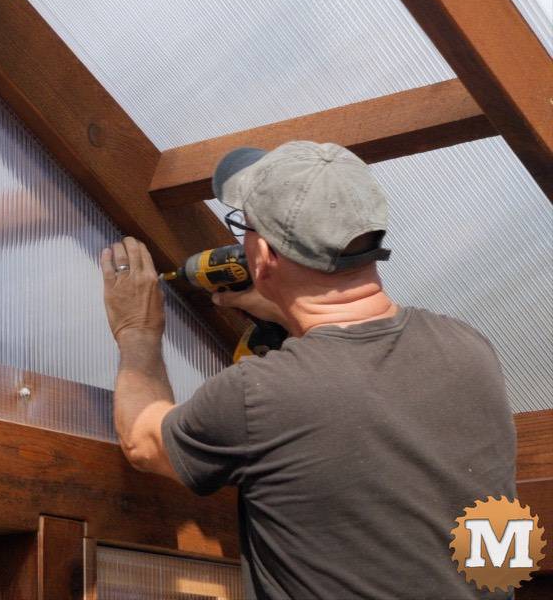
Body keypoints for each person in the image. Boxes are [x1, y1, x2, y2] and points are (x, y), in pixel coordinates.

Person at [100, 141, 515, 599]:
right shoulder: (468, 347)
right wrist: (287, 312)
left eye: (244, 228)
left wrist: (137, 330)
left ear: (263, 256)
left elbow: (143, 441)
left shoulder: (260, 394)